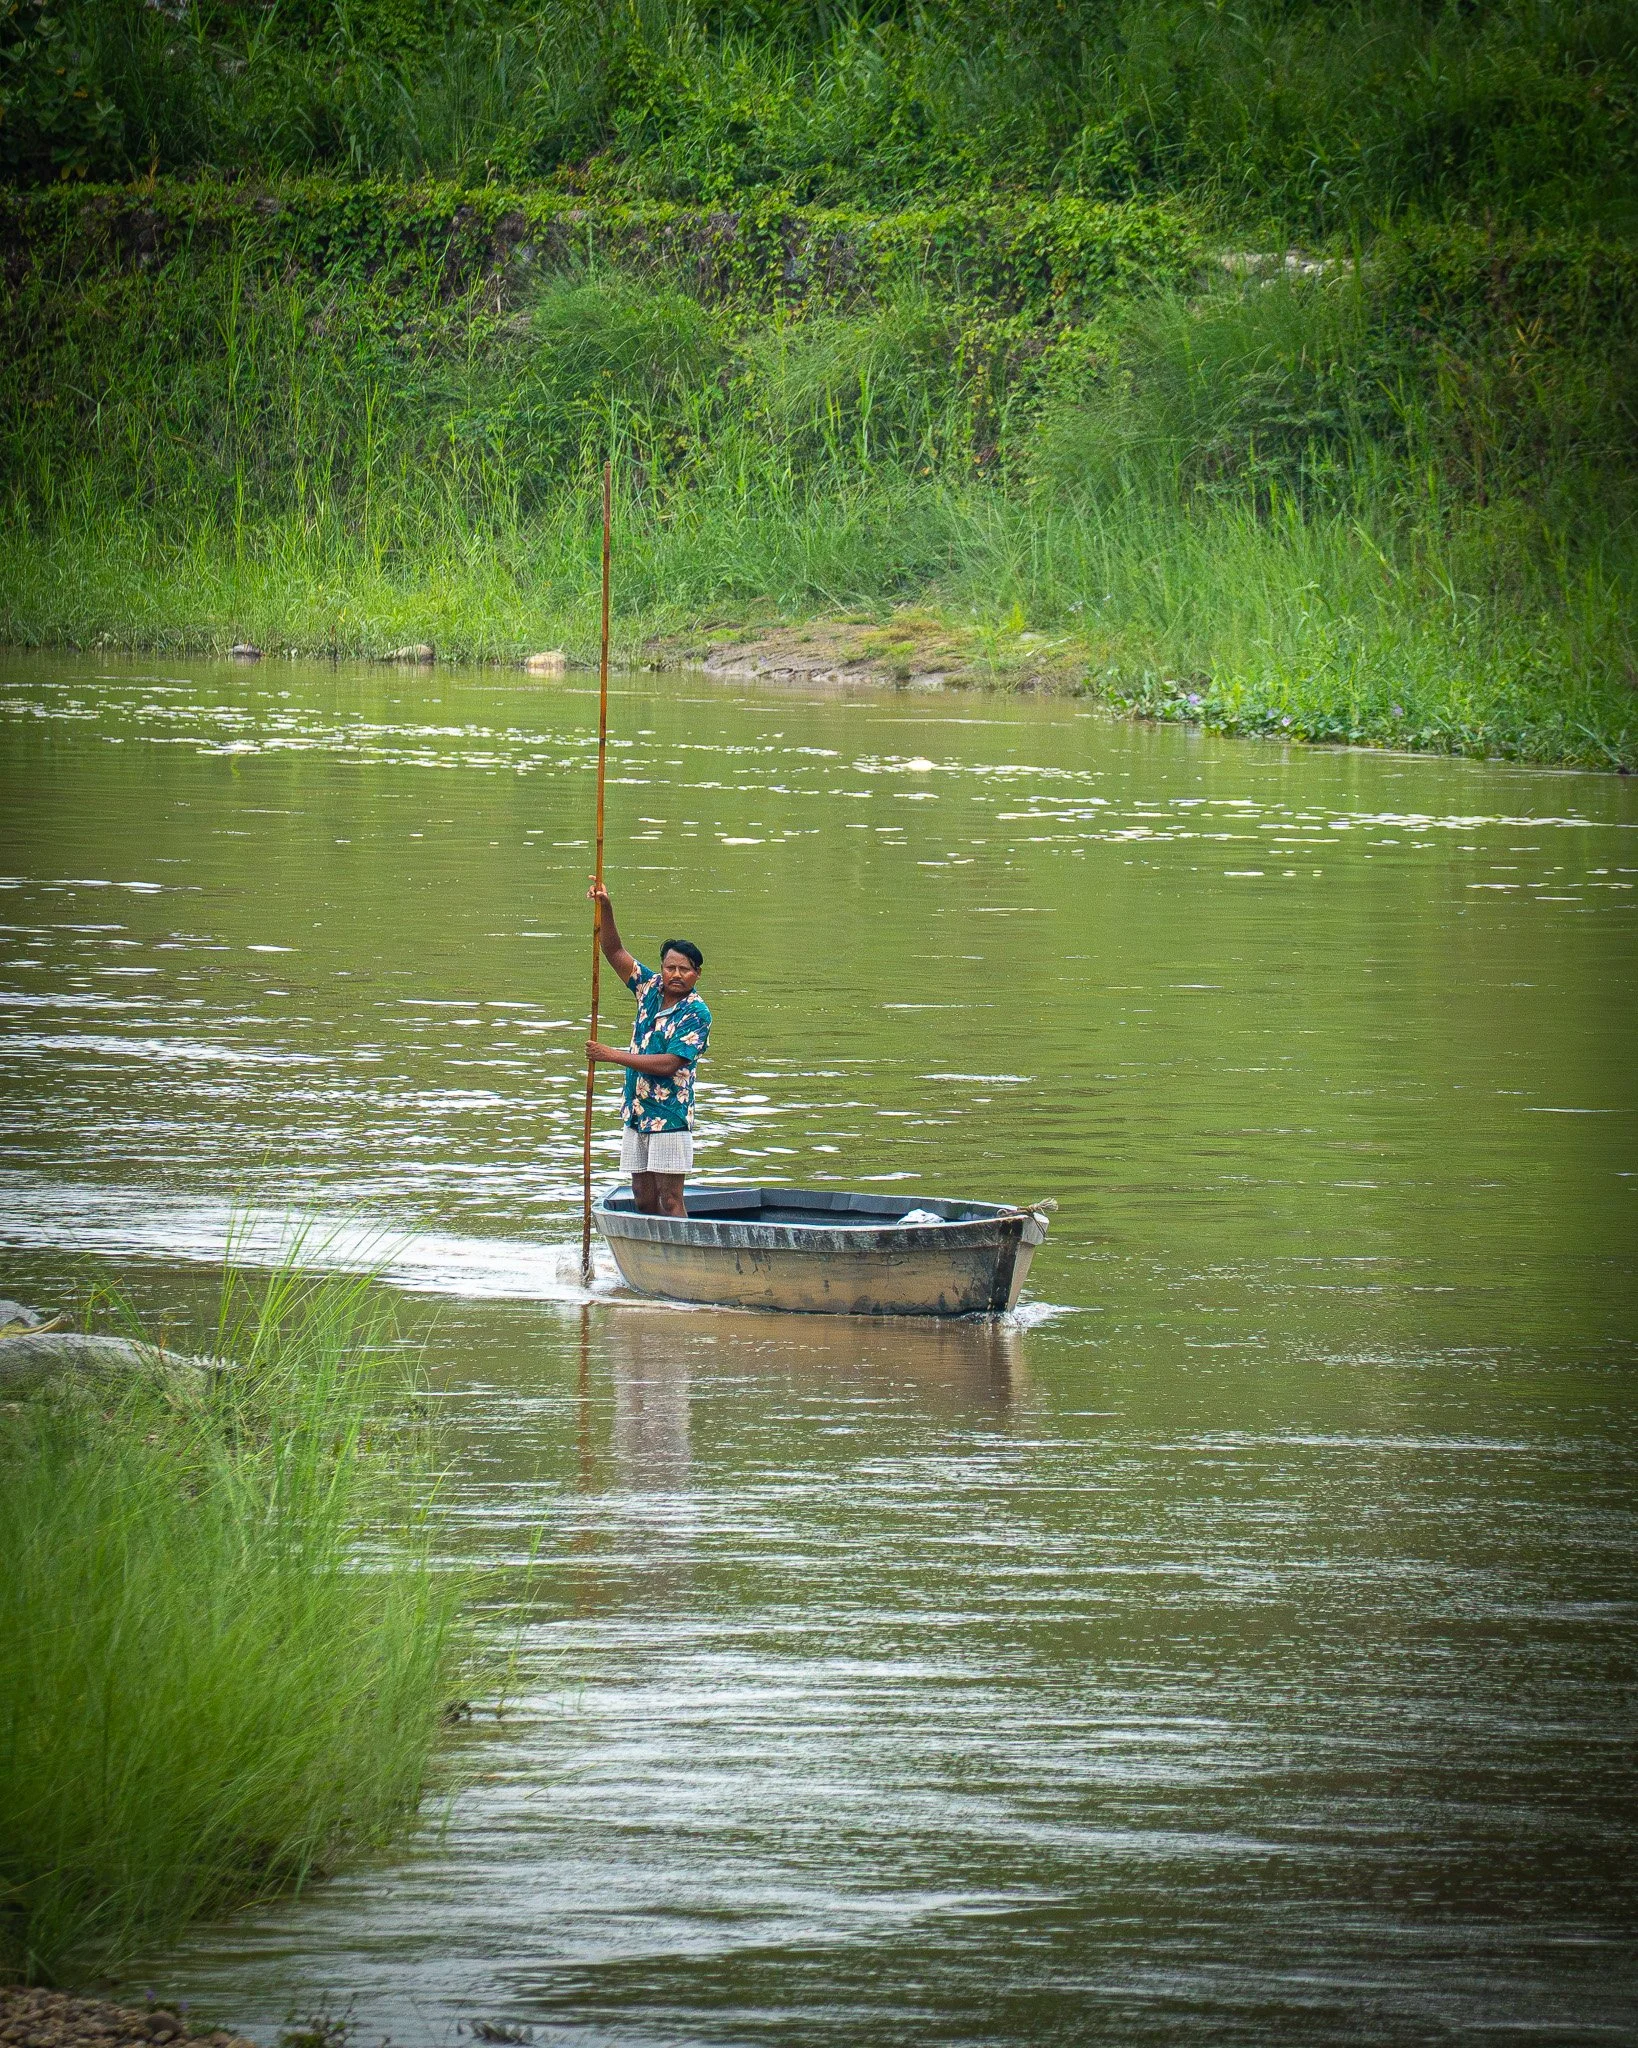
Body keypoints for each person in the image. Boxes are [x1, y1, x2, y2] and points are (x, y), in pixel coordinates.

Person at [585, 878, 710, 1218]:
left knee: (670, 1200)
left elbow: (670, 1063)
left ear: (697, 974)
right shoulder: (650, 988)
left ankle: (683, 1263)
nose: (676, 975)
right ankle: (652, 1264)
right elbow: (613, 951)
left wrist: (611, 1055)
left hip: (669, 1117)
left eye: (685, 969)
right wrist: (605, 908)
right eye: (671, 967)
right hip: (637, 1111)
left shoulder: (696, 1012)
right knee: (641, 1195)